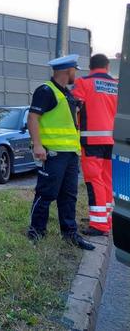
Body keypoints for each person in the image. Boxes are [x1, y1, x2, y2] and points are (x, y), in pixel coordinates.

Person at [26, 54, 95, 250]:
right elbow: (33, 118)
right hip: (53, 153)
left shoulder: (67, 94)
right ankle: (36, 231)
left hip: (70, 154)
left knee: (69, 196)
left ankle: (70, 234)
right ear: (67, 71)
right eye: (74, 70)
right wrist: (37, 145)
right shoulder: (46, 91)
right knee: (46, 194)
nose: (76, 74)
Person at [72, 54, 118, 236]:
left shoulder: (84, 82)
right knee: (107, 180)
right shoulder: (116, 85)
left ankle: (99, 225)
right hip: (112, 141)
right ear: (107, 67)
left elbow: (74, 106)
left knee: (94, 180)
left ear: (90, 67)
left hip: (92, 140)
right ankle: (104, 217)